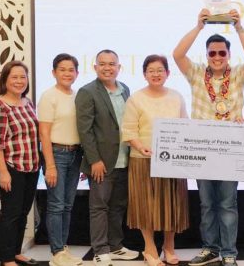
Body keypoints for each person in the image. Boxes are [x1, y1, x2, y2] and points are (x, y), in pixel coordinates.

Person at [174, 9, 244, 266]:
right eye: (212, 53)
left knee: (228, 204)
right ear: (207, 55)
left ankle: (229, 253)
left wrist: (240, 28)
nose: (217, 57)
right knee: (207, 204)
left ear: (229, 55)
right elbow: (177, 55)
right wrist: (198, 26)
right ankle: (210, 248)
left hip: (229, 150)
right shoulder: (197, 74)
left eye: (222, 53)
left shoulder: (237, 76)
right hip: (203, 149)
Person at [121, 55, 190, 266]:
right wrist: (140, 145)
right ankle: (149, 248)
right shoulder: (136, 99)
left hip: (172, 161)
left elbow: (185, 126)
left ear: (168, 73)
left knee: (172, 204)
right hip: (143, 160)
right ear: (144, 74)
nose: (156, 74)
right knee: (145, 206)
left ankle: (169, 246)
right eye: (151, 70)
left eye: (160, 70)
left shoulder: (177, 97)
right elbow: (128, 130)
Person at [76, 50, 138, 266]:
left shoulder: (125, 90)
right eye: (102, 64)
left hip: (124, 159)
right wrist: (94, 160)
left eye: (112, 64)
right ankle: (100, 249)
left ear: (119, 68)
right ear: (95, 67)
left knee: (118, 206)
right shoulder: (87, 92)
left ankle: (116, 246)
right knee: (99, 207)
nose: (107, 67)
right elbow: (85, 131)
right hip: (101, 162)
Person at [0, 61, 41, 266]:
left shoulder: (27, 102)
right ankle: (6, 257)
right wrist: (3, 172)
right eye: (14, 77)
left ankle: (16, 251)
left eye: (23, 77)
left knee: (23, 211)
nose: (19, 81)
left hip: (32, 165)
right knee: (10, 213)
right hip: (12, 167)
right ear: (5, 80)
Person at [38, 53, 84, 266]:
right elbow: (44, 134)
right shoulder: (49, 96)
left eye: (71, 69)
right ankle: (56, 253)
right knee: (56, 205)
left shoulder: (77, 95)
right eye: (62, 69)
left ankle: (63, 249)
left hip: (75, 155)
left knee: (67, 205)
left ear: (77, 73)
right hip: (56, 154)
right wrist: (50, 165)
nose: (67, 73)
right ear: (54, 72)